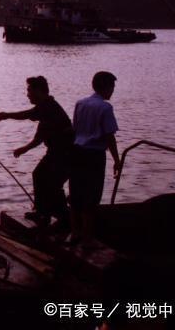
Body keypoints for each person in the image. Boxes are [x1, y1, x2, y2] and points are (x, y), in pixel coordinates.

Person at [0, 76, 73, 229]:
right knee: (39, 175)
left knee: (53, 183)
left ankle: (64, 219)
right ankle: (42, 212)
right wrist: (25, 149)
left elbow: (27, 114)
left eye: (29, 91)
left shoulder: (48, 106)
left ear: (39, 91)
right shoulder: (46, 109)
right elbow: (40, 137)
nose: (28, 94)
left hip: (66, 153)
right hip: (56, 152)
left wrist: (6, 115)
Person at [68, 71, 120, 245]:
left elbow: (74, 129)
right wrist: (117, 160)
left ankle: (75, 232)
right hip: (94, 155)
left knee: (76, 192)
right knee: (92, 195)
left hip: (77, 151)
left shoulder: (80, 103)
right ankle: (88, 238)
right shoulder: (105, 108)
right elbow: (109, 136)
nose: (112, 91)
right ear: (106, 87)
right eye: (112, 87)